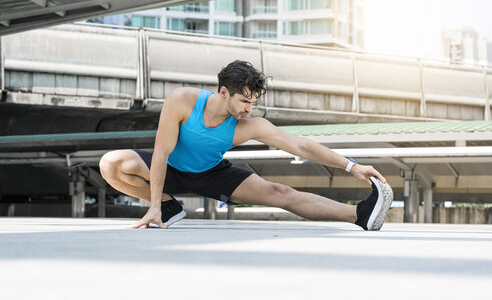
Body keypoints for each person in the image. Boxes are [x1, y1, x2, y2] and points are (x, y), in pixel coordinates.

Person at [99, 60, 393, 231]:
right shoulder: (183, 101)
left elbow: (300, 146)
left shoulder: (249, 125)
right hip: (171, 167)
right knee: (111, 163)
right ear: (224, 92)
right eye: (244, 101)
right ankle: (167, 207)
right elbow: (161, 153)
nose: (248, 109)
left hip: (213, 174)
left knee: (281, 193)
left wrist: (351, 165)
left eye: (253, 103)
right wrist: (152, 206)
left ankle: (360, 215)